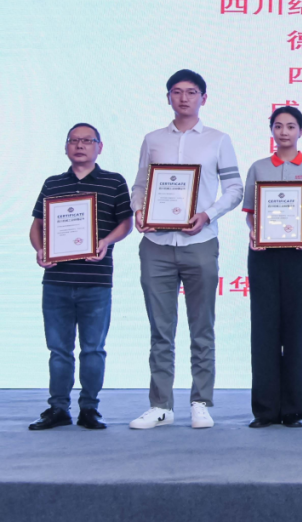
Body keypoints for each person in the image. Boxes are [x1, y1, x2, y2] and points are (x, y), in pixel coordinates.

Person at [129, 69, 243, 430]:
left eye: (191, 92)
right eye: (176, 92)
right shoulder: (152, 140)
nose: (183, 98)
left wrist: (207, 215)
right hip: (157, 245)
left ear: (203, 98)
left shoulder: (218, 140)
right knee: (160, 330)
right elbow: (140, 185)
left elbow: (235, 189)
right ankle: (161, 405)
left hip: (200, 243)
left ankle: (200, 402)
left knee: (202, 327)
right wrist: (139, 211)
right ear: (168, 97)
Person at [28, 124, 133, 430]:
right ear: (66, 147)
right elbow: (37, 225)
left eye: (87, 140)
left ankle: (89, 408)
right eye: (74, 140)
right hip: (57, 281)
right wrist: (40, 249)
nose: (80, 145)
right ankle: (58, 408)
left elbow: (126, 223)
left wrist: (106, 241)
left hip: (95, 280)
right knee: (59, 351)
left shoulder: (114, 181)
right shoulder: (53, 183)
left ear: (99, 147)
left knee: (93, 350)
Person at [242, 106, 302, 428]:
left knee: (296, 332)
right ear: (271, 130)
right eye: (278, 126)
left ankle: (293, 410)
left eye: (291, 126)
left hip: (300, 254)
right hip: (264, 254)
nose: (284, 132)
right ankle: (265, 411)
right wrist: (254, 230)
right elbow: (251, 212)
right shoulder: (259, 167)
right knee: (264, 331)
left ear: (301, 131)